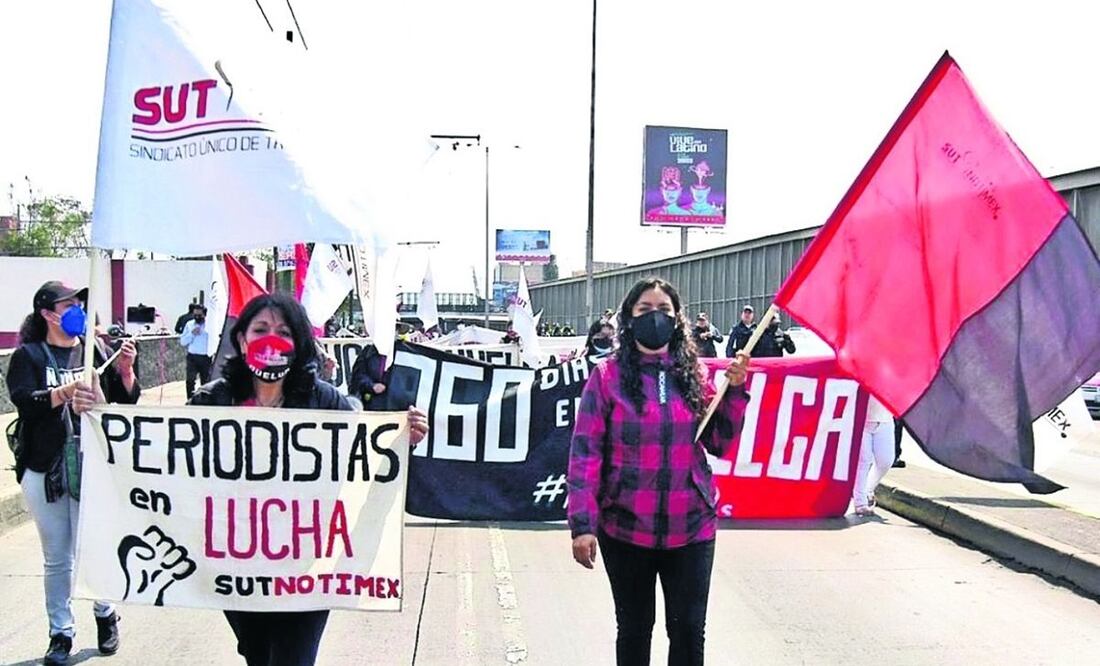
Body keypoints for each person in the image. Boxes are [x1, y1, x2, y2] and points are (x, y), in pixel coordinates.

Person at [188, 293, 428, 666]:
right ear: (241, 339)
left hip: (305, 563)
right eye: (261, 329)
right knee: (257, 654)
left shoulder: (326, 402)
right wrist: (102, 411)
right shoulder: (212, 401)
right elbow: (163, 460)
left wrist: (400, 439)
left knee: (293, 659)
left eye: (283, 332)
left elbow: (365, 461)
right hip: (236, 563)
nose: (272, 339)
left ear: (299, 344)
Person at [568, 277, 750, 665]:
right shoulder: (606, 378)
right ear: (628, 320)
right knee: (634, 630)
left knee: (687, 632)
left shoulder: (695, 375)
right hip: (625, 529)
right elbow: (585, 453)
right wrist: (583, 525)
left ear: (678, 320)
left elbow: (719, 442)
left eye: (664, 311)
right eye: (645, 311)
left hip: (692, 528)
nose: (656, 318)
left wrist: (734, 392)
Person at [5, 281, 140, 665]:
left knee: (93, 547)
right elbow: (25, 403)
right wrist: (64, 393)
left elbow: (124, 401)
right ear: (48, 313)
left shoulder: (95, 352)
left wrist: (126, 372)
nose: (78, 309)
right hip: (43, 467)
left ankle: (105, 613)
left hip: (93, 466)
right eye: (69, 304)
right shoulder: (28, 356)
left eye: (80, 302)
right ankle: (60, 633)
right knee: (57, 556)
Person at [853, 396, 897, 515]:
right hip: (861, 420)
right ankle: (860, 502)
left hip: (885, 421)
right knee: (863, 460)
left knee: (886, 461)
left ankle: (867, 490)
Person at [179, 305, 211, 399]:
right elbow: (183, 342)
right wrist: (192, 334)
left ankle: (205, 400)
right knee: (190, 380)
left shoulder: (210, 325)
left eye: (199, 315)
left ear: (205, 315)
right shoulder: (189, 324)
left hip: (205, 357)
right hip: (192, 356)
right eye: (195, 315)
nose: (197, 317)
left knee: (205, 381)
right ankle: (190, 399)